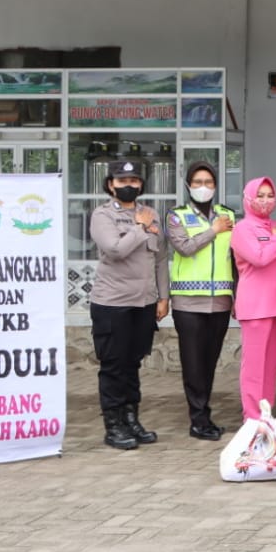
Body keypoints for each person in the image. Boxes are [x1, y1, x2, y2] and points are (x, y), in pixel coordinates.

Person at [88, 157, 168, 450]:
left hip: (143, 303)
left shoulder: (151, 214)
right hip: (112, 303)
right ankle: (113, 425)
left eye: (134, 181)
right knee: (114, 366)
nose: (128, 186)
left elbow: (160, 258)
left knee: (133, 364)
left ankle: (132, 420)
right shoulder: (103, 215)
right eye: (122, 181)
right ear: (111, 185)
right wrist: (139, 228)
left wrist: (163, 296)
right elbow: (115, 249)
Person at [165, 158, 236, 440]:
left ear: (215, 186)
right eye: (197, 182)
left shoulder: (228, 215)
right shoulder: (177, 216)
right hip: (188, 302)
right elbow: (184, 247)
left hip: (220, 300)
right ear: (188, 185)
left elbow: (235, 257)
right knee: (193, 363)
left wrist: (238, 295)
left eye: (208, 182)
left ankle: (205, 414)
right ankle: (198, 420)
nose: (203, 187)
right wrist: (213, 231)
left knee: (209, 361)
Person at [232, 176, 276, 420]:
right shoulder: (242, 229)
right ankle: (252, 416)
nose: (265, 200)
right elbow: (260, 258)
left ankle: (266, 413)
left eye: (270, 196)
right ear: (248, 198)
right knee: (254, 366)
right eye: (260, 195)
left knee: (271, 366)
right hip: (256, 306)